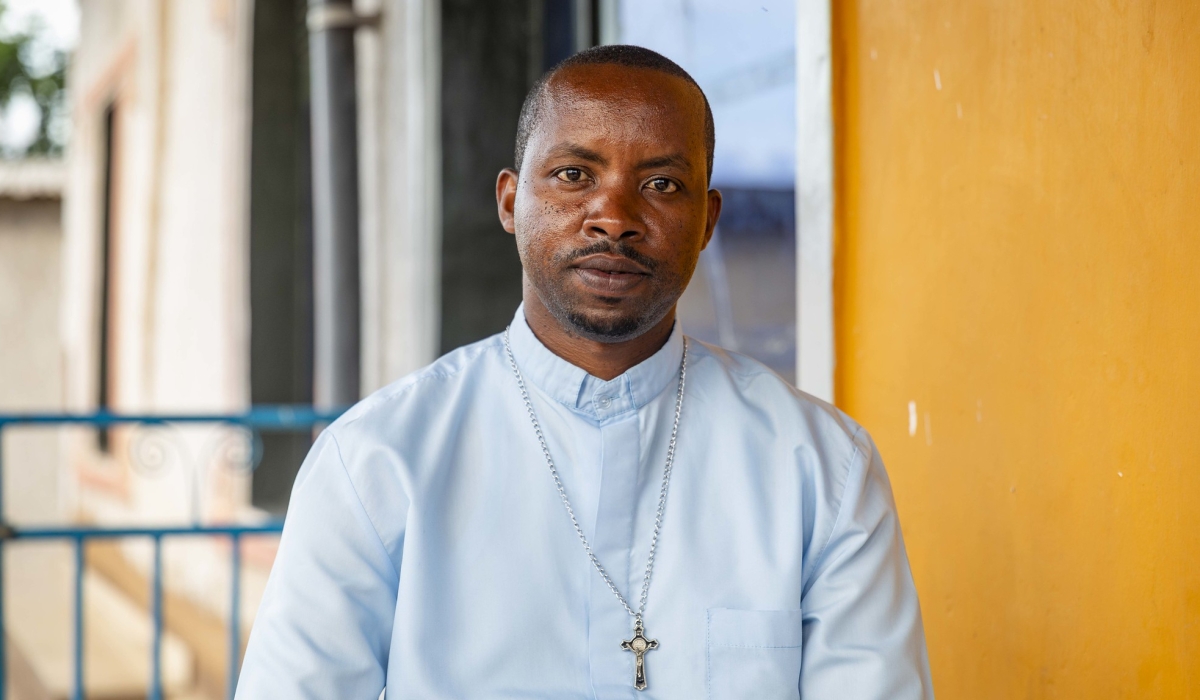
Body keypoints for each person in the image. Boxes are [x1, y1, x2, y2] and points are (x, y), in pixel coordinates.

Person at [236, 45, 933, 699]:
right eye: (574, 175)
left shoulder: (821, 469)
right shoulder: (379, 462)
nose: (614, 217)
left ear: (707, 219)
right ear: (511, 201)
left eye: (662, 183)